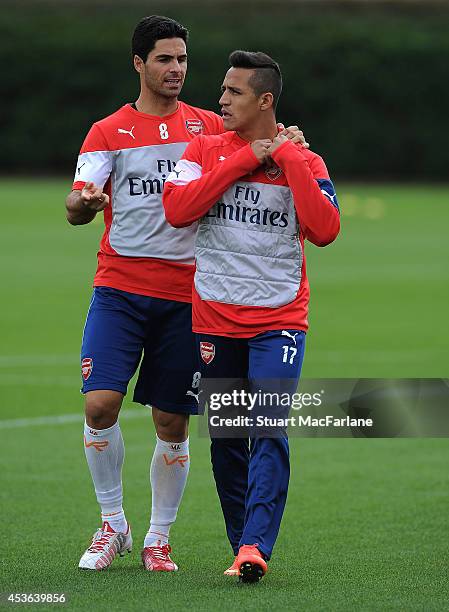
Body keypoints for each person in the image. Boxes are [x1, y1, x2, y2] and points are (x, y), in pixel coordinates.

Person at [66, 16, 307, 573]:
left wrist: (288, 142)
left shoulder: (208, 128)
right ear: (138, 64)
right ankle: (112, 525)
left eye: (181, 60)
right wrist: (85, 204)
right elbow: (77, 202)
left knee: (173, 423)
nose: (176, 70)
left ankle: (158, 537)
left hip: (189, 297)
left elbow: (258, 141)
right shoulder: (107, 132)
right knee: (100, 405)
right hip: (120, 288)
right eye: (164, 60)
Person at [163, 50, 340, 582]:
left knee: (265, 427)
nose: (221, 100)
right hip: (215, 316)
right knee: (226, 438)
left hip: (280, 318)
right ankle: (242, 544)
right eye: (222, 90)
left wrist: (287, 158)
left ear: (264, 99)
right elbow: (177, 210)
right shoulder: (203, 147)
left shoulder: (304, 160)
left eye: (233, 92)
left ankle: (255, 546)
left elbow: (326, 230)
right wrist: (242, 161)